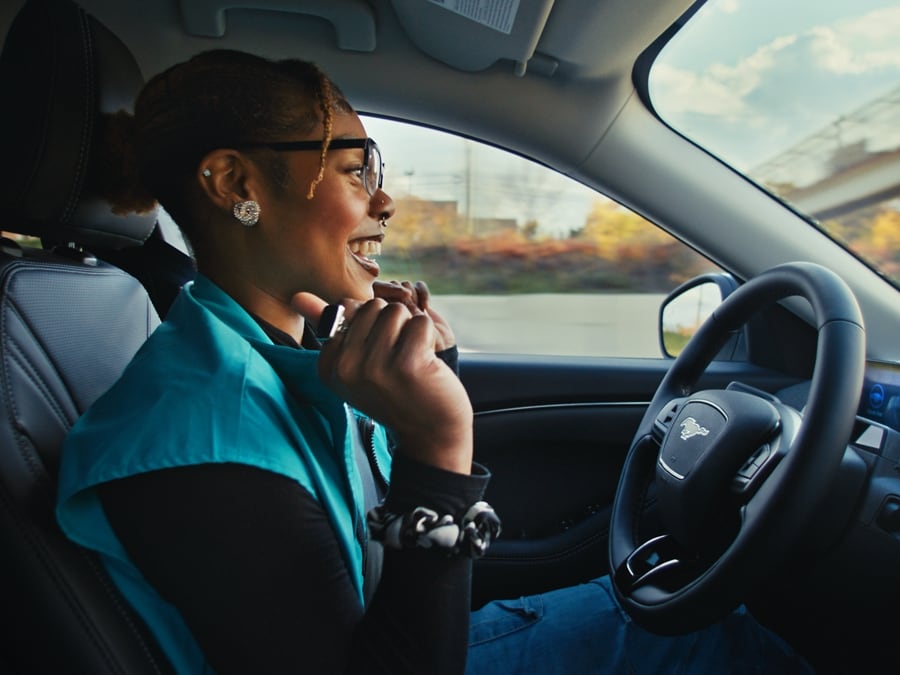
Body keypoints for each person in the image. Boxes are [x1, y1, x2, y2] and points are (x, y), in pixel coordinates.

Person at [56, 49, 812, 674]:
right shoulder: (198, 432)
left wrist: (432, 372)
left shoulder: (260, 348)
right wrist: (437, 452)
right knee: (716, 637)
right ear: (236, 184)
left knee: (687, 607)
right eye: (357, 172)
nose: (384, 202)